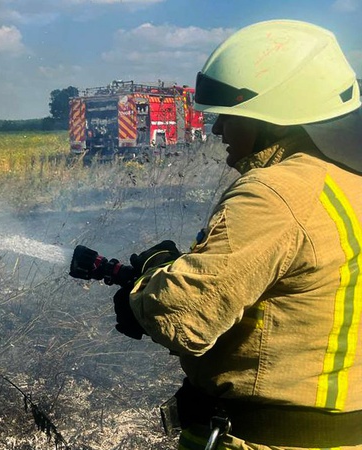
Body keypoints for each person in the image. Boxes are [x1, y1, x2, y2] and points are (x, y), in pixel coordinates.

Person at [74, 19, 362, 450]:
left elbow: (182, 316)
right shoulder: (345, 179)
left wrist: (149, 284)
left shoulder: (277, 193)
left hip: (263, 439)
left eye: (232, 115)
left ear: (275, 118)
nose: (217, 130)